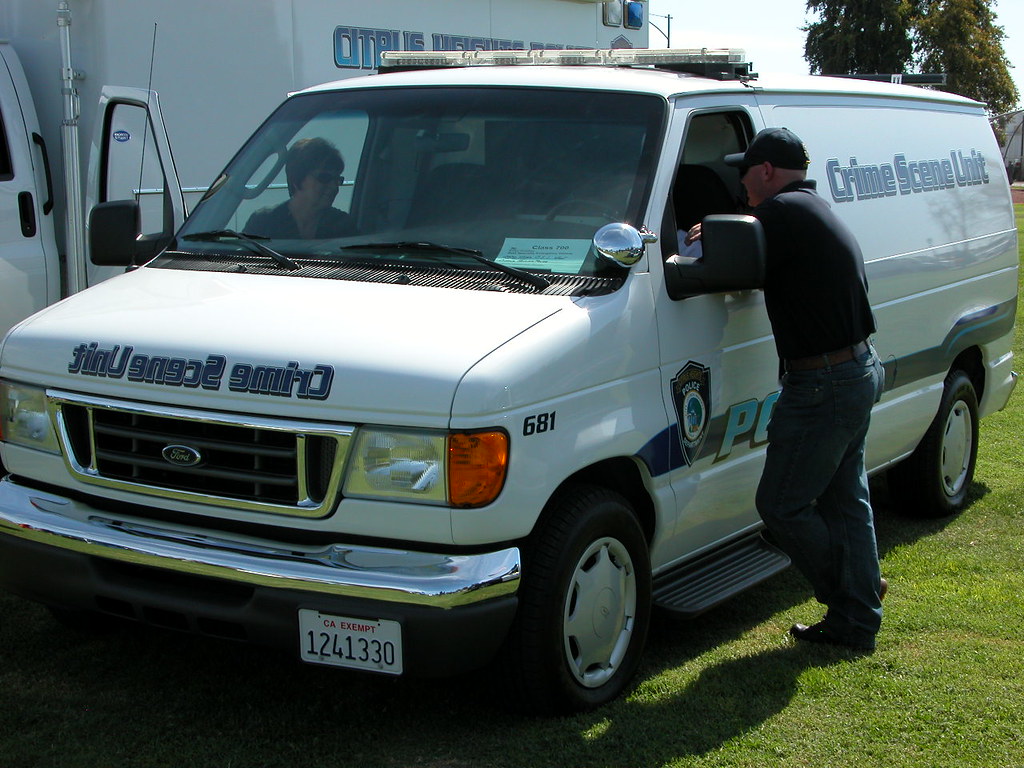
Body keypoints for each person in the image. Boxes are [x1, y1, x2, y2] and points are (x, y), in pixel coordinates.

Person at [689, 127, 886, 650]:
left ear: (767, 171)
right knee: (847, 501)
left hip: (824, 384)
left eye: (744, 173)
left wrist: (700, 239)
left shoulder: (779, 214)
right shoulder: (812, 209)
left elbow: (712, 256)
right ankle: (859, 611)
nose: (742, 185)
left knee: (782, 505)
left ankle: (852, 596)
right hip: (857, 370)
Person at [245, 137, 352, 239]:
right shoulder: (264, 222)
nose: (334, 187)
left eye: (337, 180)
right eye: (324, 178)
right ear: (297, 179)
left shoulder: (342, 224)